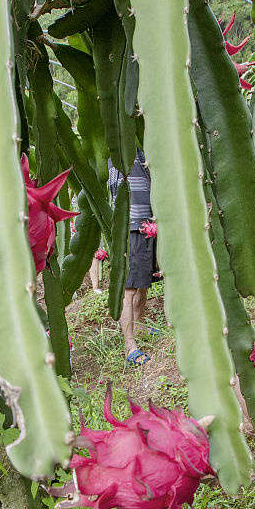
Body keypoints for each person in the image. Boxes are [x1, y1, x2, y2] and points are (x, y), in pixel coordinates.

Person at [108, 149, 157, 366]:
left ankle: (140, 326)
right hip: (129, 225)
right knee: (128, 289)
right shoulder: (120, 144)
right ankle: (130, 346)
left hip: (150, 223)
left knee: (143, 283)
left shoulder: (145, 142)